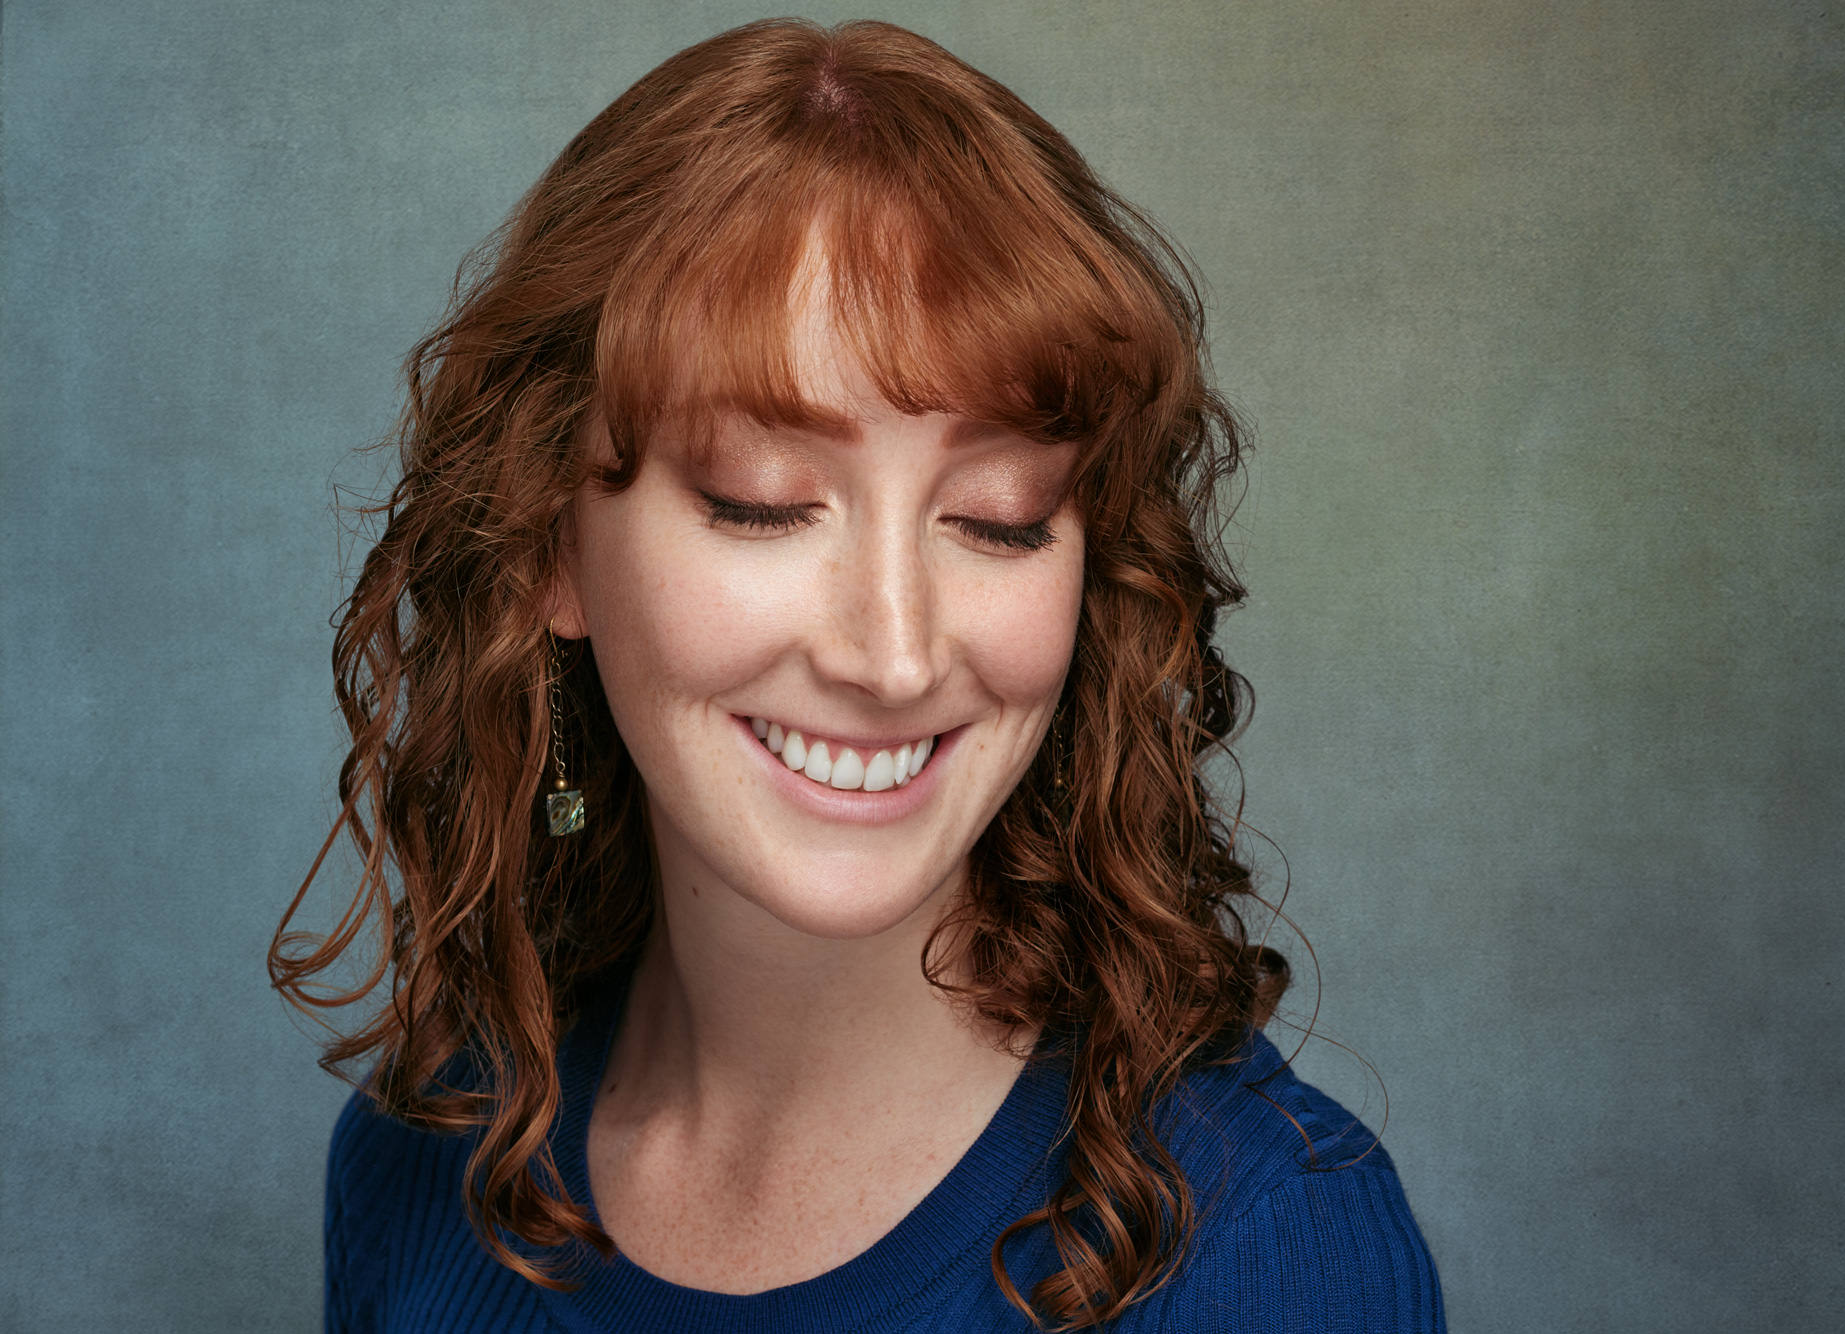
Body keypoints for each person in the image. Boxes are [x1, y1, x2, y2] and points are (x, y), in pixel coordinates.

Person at [271, 17, 1444, 1332]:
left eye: (999, 516)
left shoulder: (1271, 1245)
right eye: (762, 502)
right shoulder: (420, 1156)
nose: (893, 653)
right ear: (553, 546)